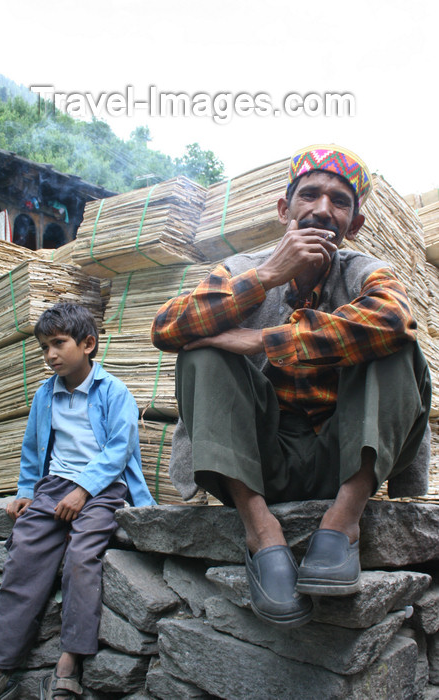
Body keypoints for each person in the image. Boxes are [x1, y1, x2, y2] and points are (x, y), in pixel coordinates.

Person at [151, 144, 431, 630]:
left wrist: (265, 338)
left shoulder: (364, 271)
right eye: (310, 195)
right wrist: (265, 279)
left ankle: (342, 526)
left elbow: (394, 318)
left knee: (396, 344)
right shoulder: (244, 270)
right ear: (285, 209)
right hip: (260, 462)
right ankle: (262, 531)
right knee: (200, 349)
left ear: (354, 225)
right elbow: (166, 328)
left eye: (340, 201)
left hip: (345, 458)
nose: (323, 209)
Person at [0, 303, 155, 700]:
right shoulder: (45, 394)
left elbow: (118, 450)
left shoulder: (114, 391)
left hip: (104, 489)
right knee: (23, 554)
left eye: (58, 343)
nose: (50, 355)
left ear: (87, 344)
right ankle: (0, 666)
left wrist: (83, 489)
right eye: (44, 347)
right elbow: (33, 449)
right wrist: (24, 491)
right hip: (54, 487)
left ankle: (69, 661)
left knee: (81, 559)